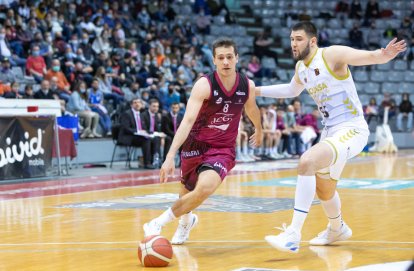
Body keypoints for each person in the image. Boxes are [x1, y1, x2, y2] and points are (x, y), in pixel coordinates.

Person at [256, 21, 406, 253]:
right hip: (331, 131)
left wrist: (382, 54)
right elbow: (290, 90)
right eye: (292, 39)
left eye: (299, 39)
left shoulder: (331, 54)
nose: (293, 44)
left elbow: (367, 57)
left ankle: (293, 234)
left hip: (352, 129)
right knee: (324, 190)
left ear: (312, 41)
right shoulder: (301, 68)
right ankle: (337, 228)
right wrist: (256, 90)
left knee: (307, 161)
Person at [143, 38, 263, 245]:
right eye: (221, 58)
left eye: (229, 57)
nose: (225, 62)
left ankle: (157, 223)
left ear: (236, 58)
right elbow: (187, 120)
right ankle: (185, 224)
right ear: (214, 61)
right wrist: (170, 155)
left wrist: (259, 129)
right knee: (187, 193)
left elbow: (251, 108)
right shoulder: (204, 85)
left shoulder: (247, 85)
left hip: (222, 149)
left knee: (204, 188)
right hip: (194, 145)